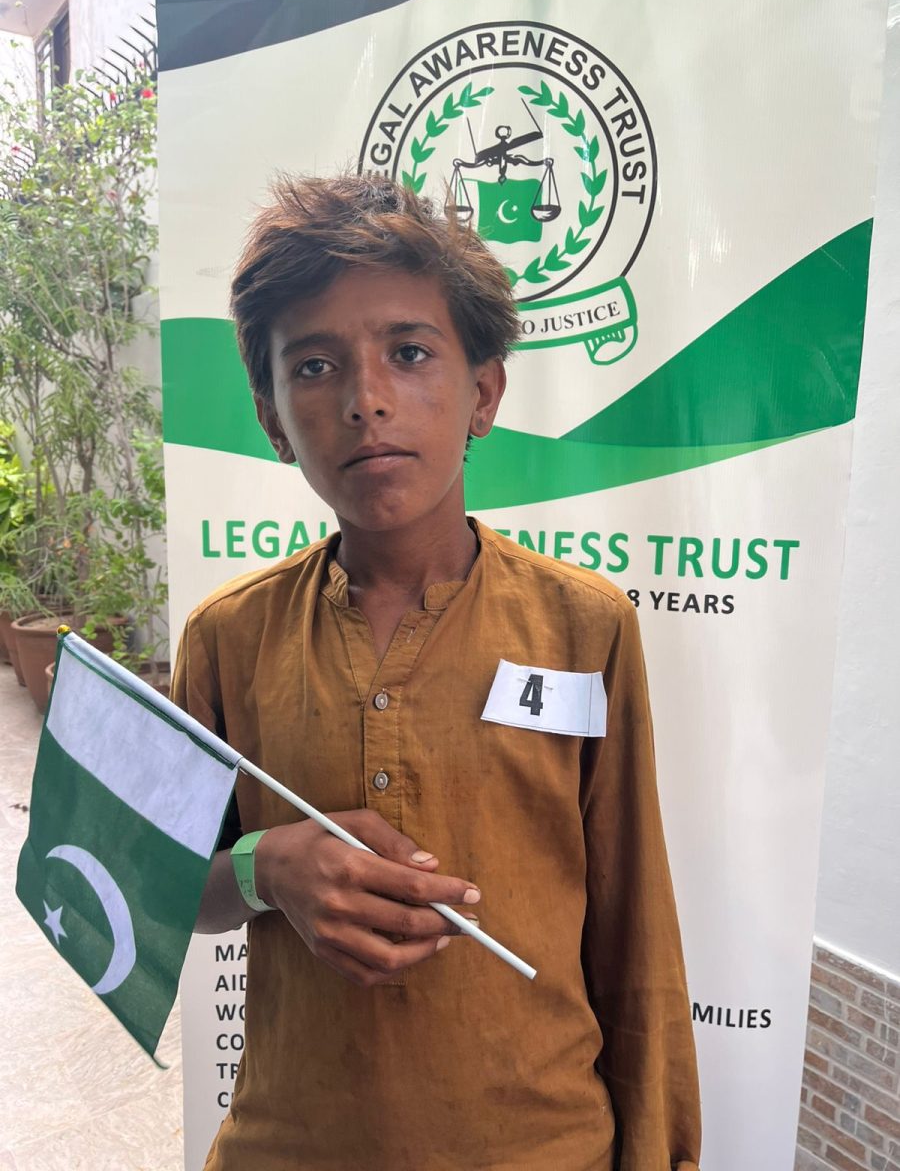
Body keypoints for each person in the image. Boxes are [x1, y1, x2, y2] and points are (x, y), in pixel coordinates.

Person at [172, 174, 701, 1171]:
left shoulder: (583, 628)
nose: (366, 399)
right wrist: (264, 868)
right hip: (295, 1148)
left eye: (409, 353)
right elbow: (169, 892)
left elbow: (637, 934)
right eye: (315, 366)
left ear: (483, 394)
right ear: (274, 418)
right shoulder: (227, 639)